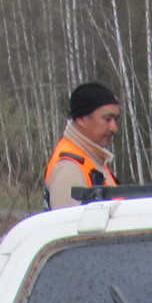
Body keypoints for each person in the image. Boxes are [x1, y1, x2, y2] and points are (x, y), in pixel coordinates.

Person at [44, 82, 121, 212]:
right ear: (81, 119)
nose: (114, 128)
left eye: (115, 120)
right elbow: (69, 228)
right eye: (107, 119)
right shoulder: (69, 167)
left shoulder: (92, 159)